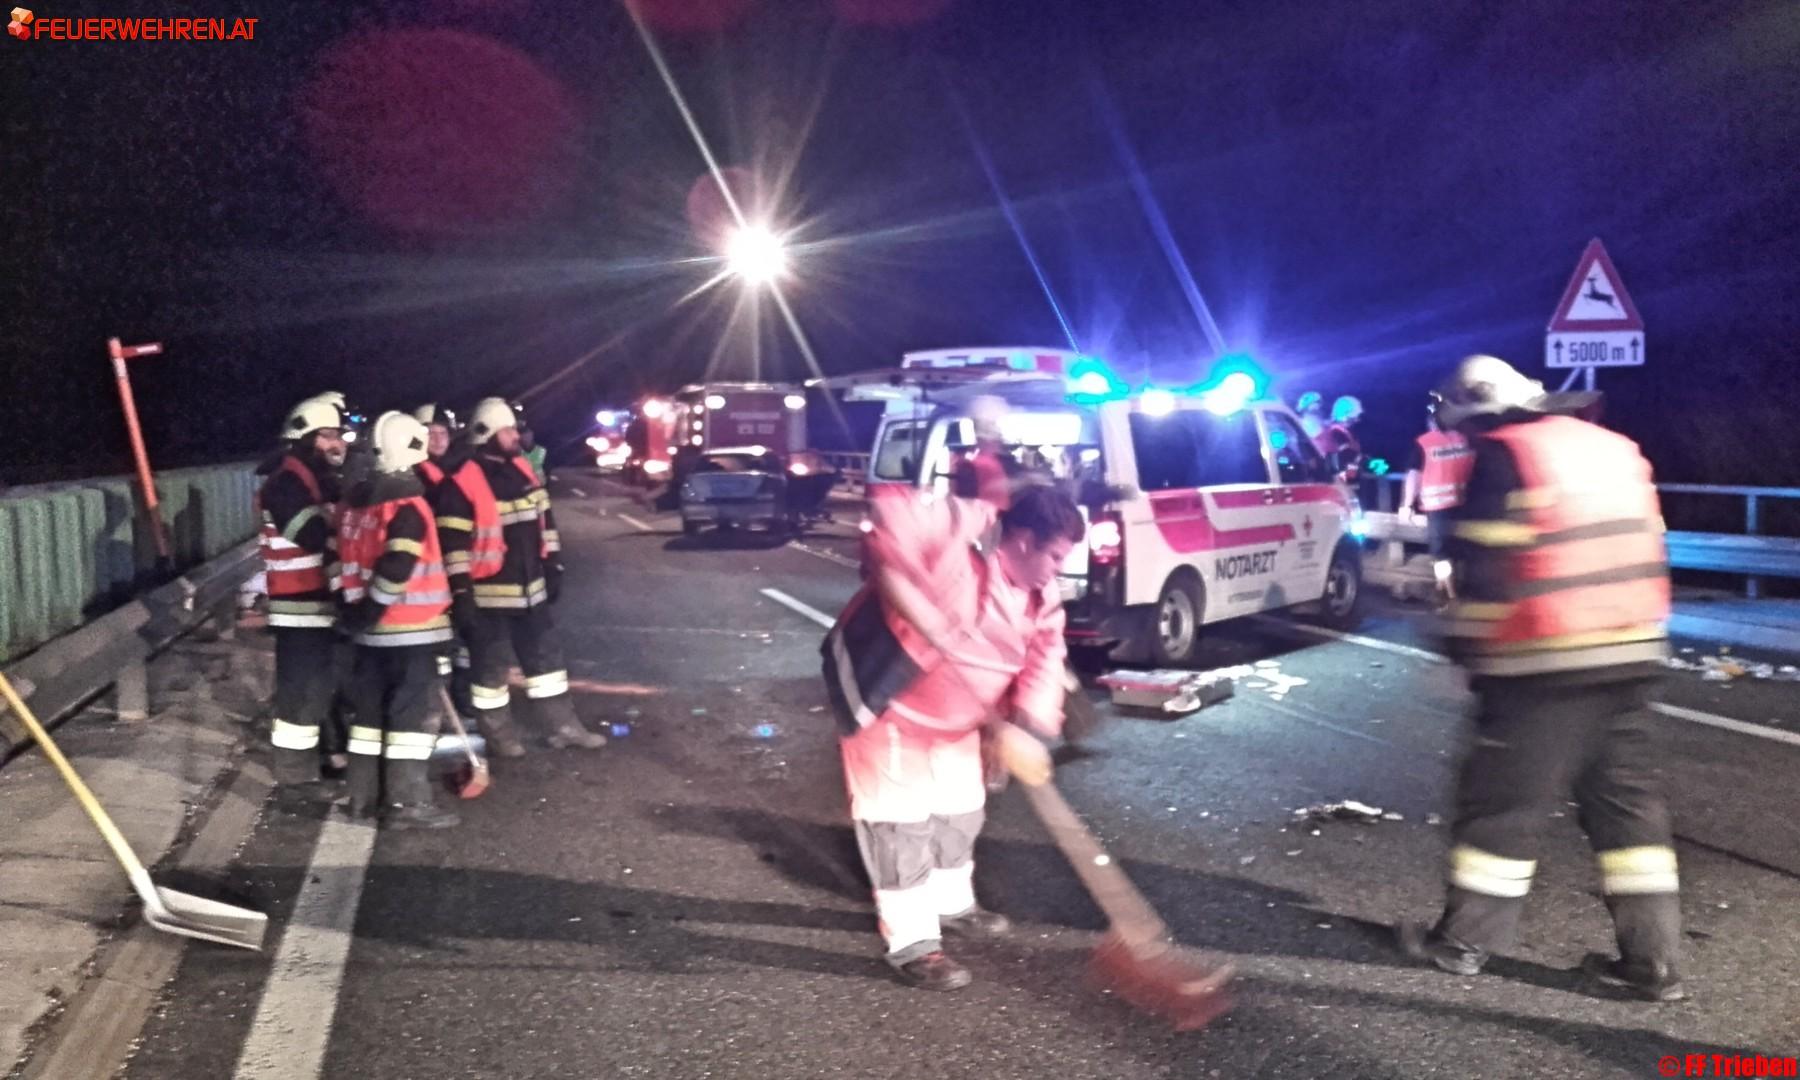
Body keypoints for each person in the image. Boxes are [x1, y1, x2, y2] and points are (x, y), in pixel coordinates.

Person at [1399, 355, 1683, 1002]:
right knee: (1629, 817)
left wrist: (1462, 648)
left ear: (1478, 409)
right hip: (1634, 653)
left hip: (1545, 660)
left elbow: (1492, 570)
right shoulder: (1617, 449)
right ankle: (1653, 963)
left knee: (1502, 806)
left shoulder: (1507, 453)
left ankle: (1463, 944)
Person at [823, 396, 1084, 991]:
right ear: (1020, 537)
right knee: (899, 827)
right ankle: (914, 942)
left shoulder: (1043, 600)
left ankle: (951, 904)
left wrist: (1027, 726)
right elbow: (890, 513)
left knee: (960, 814)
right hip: (892, 711)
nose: (1057, 570)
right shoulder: (961, 545)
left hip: (963, 723)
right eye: (1053, 555)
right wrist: (957, 527)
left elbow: (1045, 662)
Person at [435, 398, 607, 755]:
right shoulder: (462, 482)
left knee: (547, 666)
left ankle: (564, 727)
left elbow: (546, 523)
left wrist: (554, 565)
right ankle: (500, 738)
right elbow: (453, 545)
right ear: (487, 434)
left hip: (532, 591)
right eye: (508, 429)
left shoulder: (524, 471)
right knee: (491, 673)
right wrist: (462, 594)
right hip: (488, 596)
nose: (516, 435)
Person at [336, 412, 461, 829]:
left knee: (369, 718)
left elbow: (342, 561)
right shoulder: (408, 504)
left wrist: (357, 615)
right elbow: (397, 566)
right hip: (411, 628)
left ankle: (361, 798)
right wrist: (374, 608)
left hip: (368, 634)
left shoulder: (356, 504)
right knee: (411, 720)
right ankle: (408, 806)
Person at [258, 393, 349, 800]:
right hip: (299, 608)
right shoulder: (287, 484)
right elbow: (313, 534)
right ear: (303, 438)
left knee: (322, 689)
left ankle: (331, 757)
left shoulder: (318, 481)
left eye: (339, 435)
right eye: (327, 435)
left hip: (321, 604)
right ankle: (294, 780)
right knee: (301, 695)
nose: (338, 444)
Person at [1400, 395, 1476, 598]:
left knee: (1441, 554)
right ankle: (1444, 587)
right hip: (1463, 503)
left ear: (1431, 420)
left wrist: (1407, 506)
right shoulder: (1462, 440)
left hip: (1437, 507)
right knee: (1458, 549)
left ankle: (1450, 594)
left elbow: (1413, 477)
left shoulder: (1423, 443)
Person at [1315, 394, 1366, 480]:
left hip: (1339, 481)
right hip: (1340, 482)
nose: (1357, 420)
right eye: (1355, 416)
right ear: (1347, 414)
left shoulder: (1332, 431)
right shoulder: (1337, 432)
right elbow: (1349, 459)